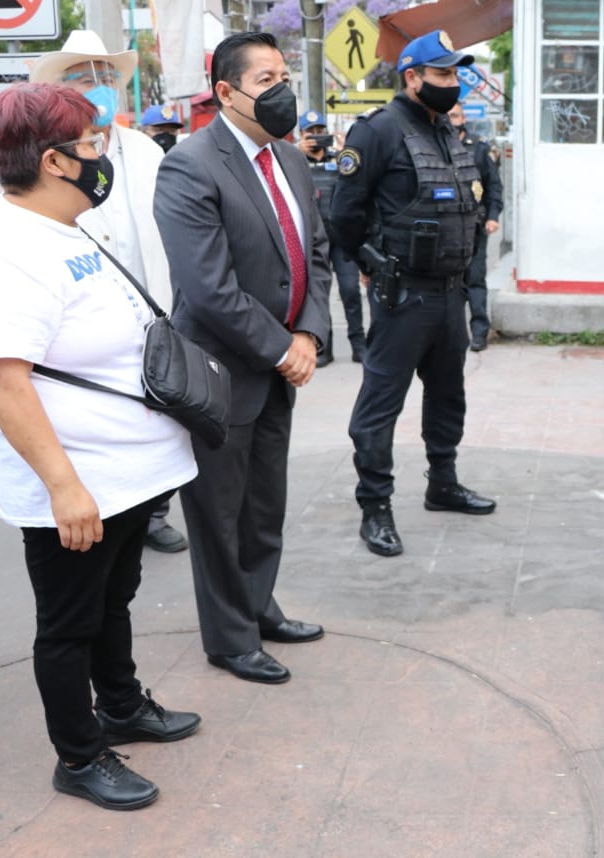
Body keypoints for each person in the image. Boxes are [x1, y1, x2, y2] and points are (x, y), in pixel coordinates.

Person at [0, 83, 201, 810]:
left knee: (114, 598)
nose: (101, 155)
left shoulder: (60, 225)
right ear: (55, 161)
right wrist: (63, 486)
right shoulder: (0, 249)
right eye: (91, 144)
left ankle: (121, 703)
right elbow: (1, 379)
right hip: (78, 478)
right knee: (67, 624)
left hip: (126, 469)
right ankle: (79, 755)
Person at [153, 32, 331, 685]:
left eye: (283, 74)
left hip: (283, 363)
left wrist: (309, 334)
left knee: (265, 503)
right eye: (265, 79)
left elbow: (315, 253)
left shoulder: (291, 159)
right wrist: (281, 347)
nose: (281, 89)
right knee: (218, 510)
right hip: (225, 370)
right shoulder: (190, 165)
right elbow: (208, 286)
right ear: (225, 92)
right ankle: (229, 637)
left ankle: (260, 607)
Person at [330, 30, 495, 558]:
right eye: (443, 75)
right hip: (402, 299)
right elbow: (344, 216)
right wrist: (371, 267)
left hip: (449, 297)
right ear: (412, 77)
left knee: (448, 398)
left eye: (455, 74)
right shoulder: (378, 132)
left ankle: (442, 484)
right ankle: (375, 508)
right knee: (380, 409)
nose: (454, 84)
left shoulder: (445, 129)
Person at [30, 30, 188, 556]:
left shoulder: (145, 150)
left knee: (158, 412)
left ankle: (151, 511)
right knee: (97, 411)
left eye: (105, 77)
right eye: (82, 78)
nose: (98, 87)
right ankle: (96, 502)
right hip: (87, 318)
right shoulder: (54, 156)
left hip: (152, 308)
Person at [298, 108, 362, 363]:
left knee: (350, 292)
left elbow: (353, 189)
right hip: (313, 241)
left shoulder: (340, 161)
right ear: (301, 135)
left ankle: (359, 345)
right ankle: (324, 348)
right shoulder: (294, 161)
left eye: (320, 131)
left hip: (340, 239)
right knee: (318, 295)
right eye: (310, 133)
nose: (316, 136)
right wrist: (297, 152)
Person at [447, 102, 503, 351]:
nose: (452, 120)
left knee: (475, 280)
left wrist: (493, 216)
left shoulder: (479, 149)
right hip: (445, 229)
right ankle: (451, 333)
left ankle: (479, 331)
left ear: (463, 118)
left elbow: (493, 187)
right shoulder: (433, 147)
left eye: (455, 115)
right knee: (449, 283)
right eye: (447, 116)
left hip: (473, 227)